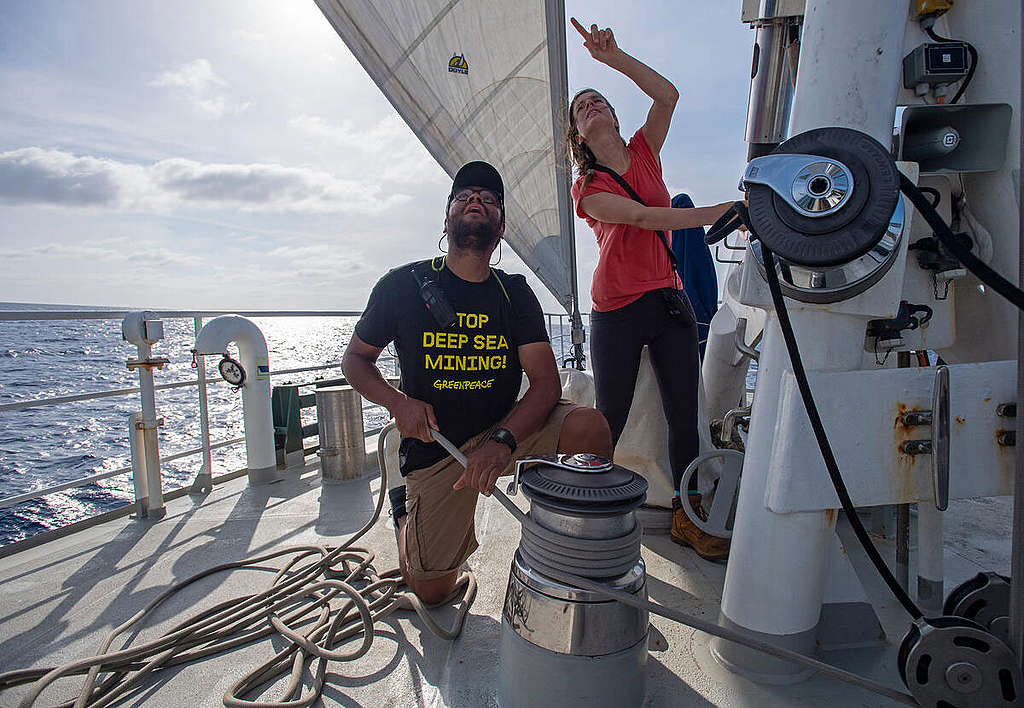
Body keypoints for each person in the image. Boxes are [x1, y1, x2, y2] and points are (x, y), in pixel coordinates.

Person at [342, 160, 613, 604]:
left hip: (505, 430)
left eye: (488, 200)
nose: (476, 201)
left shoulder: (514, 292)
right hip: (437, 448)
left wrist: (502, 442)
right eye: (465, 196)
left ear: (500, 227)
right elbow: (355, 360)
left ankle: (576, 555)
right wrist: (397, 404)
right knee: (431, 592)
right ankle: (403, 510)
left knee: (591, 428)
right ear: (447, 218)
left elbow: (545, 384)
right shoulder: (402, 286)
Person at [566, 19, 735, 560]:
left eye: (597, 101)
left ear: (614, 116)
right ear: (578, 136)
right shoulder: (587, 187)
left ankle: (689, 516)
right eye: (580, 109)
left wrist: (613, 59)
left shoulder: (644, 150)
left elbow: (668, 94)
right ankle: (586, 513)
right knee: (609, 415)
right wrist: (720, 212)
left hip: (668, 299)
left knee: (684, 415)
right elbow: (640, 217)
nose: (589, 106)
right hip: (616, 309)